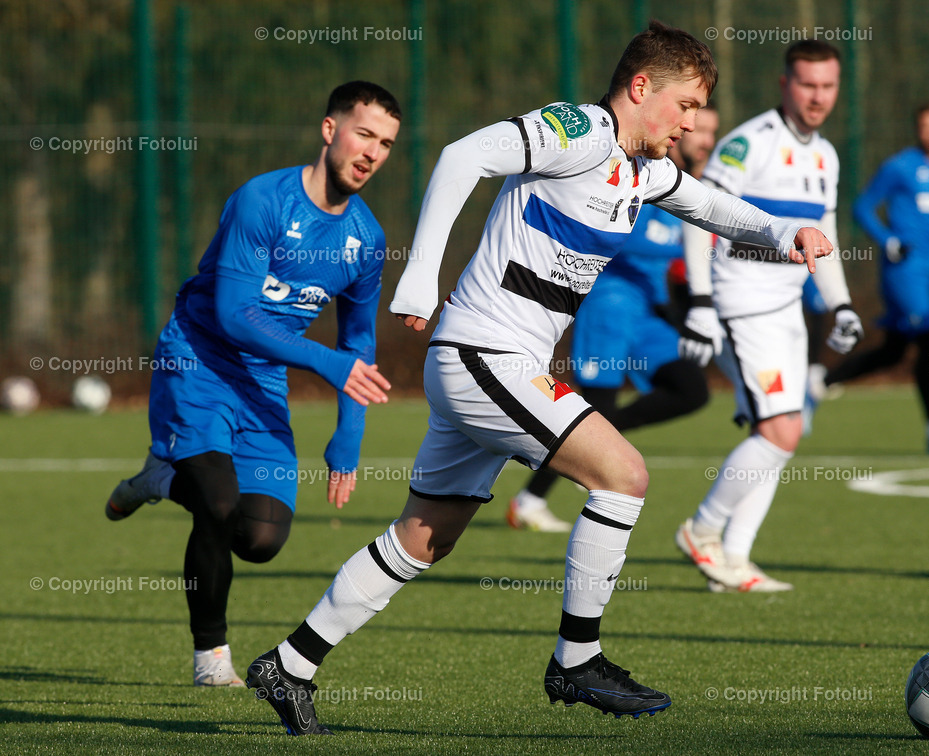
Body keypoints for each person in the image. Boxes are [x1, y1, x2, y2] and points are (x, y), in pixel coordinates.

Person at [245, 22, 835, 736]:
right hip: (481, 355)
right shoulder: (583, 130)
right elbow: (465, 157)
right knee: (623, 474)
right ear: (641, 88)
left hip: (499, 364)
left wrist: (784, 235)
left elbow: (711, 207)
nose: (690, 124)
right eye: (684, 106)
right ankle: (576, 660)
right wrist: (421, 277)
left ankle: (291, 663)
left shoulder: (642, 168)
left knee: (424, 537)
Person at [104, 82, 400, 686]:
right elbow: (237, 313)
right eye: (364, 134)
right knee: (215, 502)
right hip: (199, 358)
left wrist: (350, 435)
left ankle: (161, 476)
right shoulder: (263, 201)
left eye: (387, 144)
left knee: (260, 537)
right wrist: (324, 363)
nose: (372, 152)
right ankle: (211, 658)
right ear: (329, 131)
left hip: (262, 377)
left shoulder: (366, 241)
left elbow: (358, 346)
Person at [675, 40, 863, 593]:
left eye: (828, 86)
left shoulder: (825, 156)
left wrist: (841, 304)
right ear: (785, 84)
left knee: (783, 430)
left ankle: (733, 560)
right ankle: (701, 531)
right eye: (808, 84)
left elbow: (821, 234)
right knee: (781, 429)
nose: (818, 96)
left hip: (786, 310)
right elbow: (698, 214)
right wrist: (703, 302)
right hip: (741, 307)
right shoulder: (748, 144)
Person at [507, 104, 720, 532]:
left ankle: (590, 444)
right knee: (596, 404)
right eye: (697, 129)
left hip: (652, 313)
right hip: (610, 304)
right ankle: (529, 501)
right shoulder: (644, 174)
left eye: (711, 131)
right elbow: (622, 239)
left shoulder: (694, 189)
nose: (704, 138)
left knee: (691, 388)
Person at [815, 104, 929, 455]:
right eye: (926, 125)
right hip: (903, 273)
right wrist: (888, 241)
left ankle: (820, 382)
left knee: (893, 352)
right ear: (918, 130)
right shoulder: (900, 167)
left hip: (926, 272)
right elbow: (862, 207)